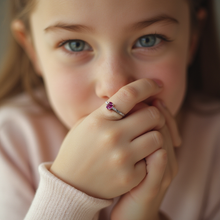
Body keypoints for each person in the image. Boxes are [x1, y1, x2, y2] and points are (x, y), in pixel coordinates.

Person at [0, 0, 220, 219]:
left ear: (192, 38)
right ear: (32, 49)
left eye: (148, 40)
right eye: (75, 44)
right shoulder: (9, 144)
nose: (115, 87)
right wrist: (68, 197)